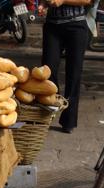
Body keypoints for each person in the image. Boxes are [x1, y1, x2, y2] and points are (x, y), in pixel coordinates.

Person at [39, 0, 92, 134]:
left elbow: (87, 1)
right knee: (47, 72)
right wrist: (44, 5)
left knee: (74, 74)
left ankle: (69, 121)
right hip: (52, 26)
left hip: (76, 26)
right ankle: (47, 113)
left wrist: (62, 1)